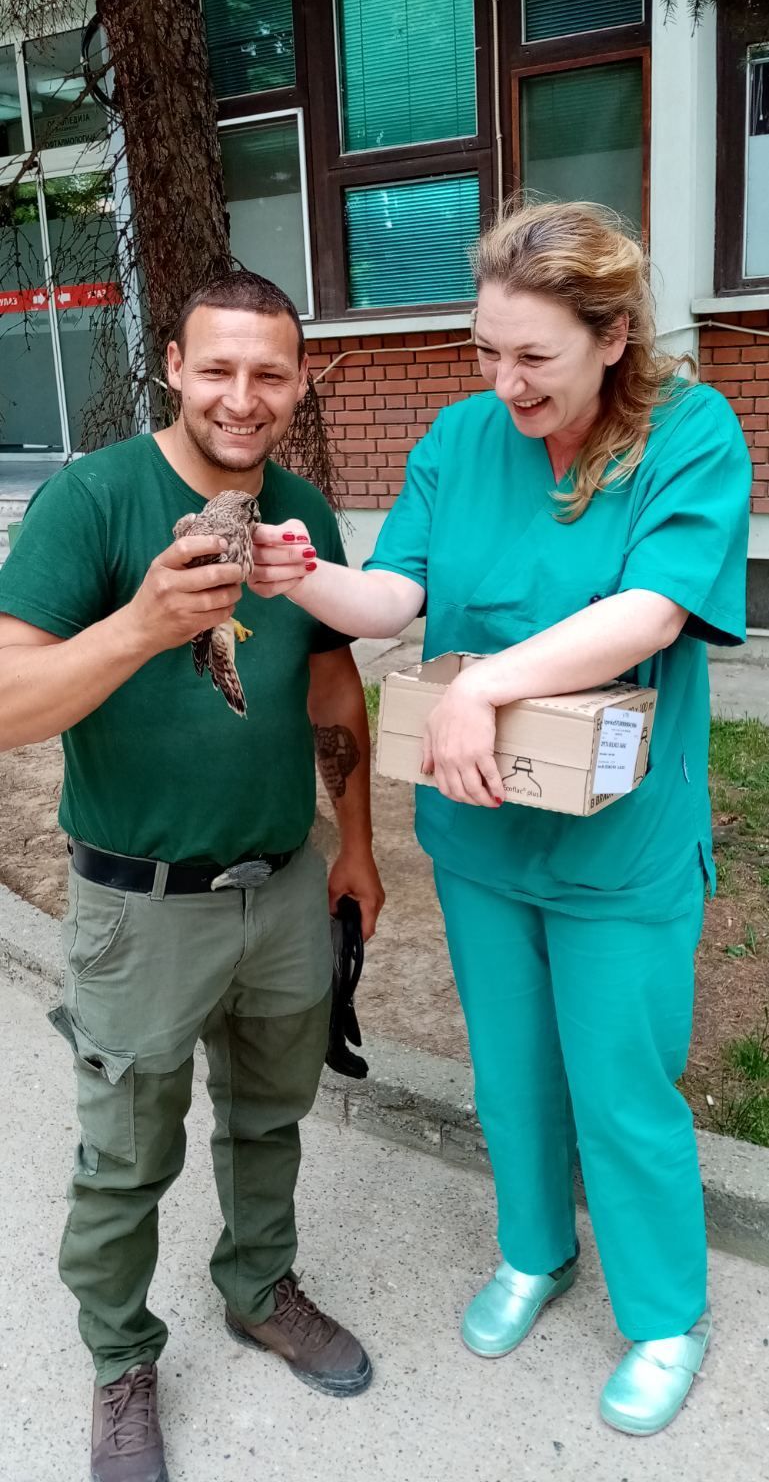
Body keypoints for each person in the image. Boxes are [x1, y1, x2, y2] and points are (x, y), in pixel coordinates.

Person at [248, 202, 752, 1438]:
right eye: (486, 349)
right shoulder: (462, 436)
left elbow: (649, 612)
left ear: (613, 336)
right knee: (512, 1067)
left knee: (622, 1084)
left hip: (617, 849)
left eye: (534, 355)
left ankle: (662, 1314)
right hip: (482, 838)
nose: (503, 380)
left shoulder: (689, 434)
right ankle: (536, 1251)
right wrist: (303, 571)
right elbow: (394, 594)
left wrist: (481, 679)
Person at [0, 271, 384, 1482]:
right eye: (217, 367)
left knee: (271, 1120)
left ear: (301, 381)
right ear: (172, 362)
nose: (242, 396)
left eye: (270, 372)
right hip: (140, 902)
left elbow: (330, 684)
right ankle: (120, 1359)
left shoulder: (302, 508)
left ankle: (258, 1286)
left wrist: (359, 843)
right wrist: (141, 626)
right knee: (124, 1157)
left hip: (281, 888)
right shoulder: (92, 500)